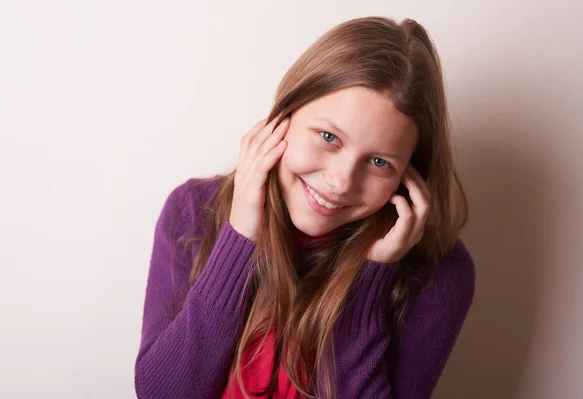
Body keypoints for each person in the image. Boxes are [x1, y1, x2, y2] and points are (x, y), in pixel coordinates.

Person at [134, 16, 475, 399]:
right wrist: (240, 236)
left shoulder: (438, 272)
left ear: (408, 177)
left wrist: (369, 282)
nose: (341, 181)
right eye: (329, 137)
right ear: (283, 118)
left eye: (380, 163)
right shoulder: (194, 211)